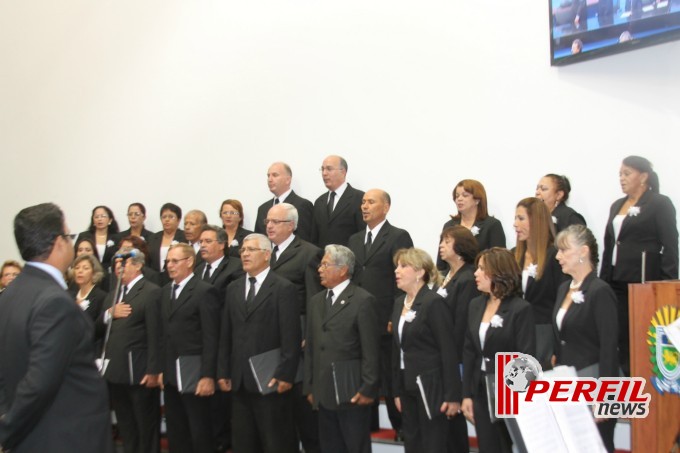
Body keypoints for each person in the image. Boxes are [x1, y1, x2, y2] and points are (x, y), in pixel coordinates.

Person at [0, 203, 112, 453]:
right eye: (69, 236)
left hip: (32, 438)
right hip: (66, 438)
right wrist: (5, 431)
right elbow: (40, 383)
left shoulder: (9, 295)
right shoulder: (55, 302)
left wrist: (6, 416)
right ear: (58, 242)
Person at [218, 234, 300, 453]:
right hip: (239, 379)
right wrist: (223, 371)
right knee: (243, 442)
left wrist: (285, 374)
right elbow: (226, 333)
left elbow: (290, 336)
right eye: (242, 250)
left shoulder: (283, 288)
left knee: (275, 441)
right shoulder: (233, 288)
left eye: (251, 250)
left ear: (266, 255)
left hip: (270, 378)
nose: (244, 254)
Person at [600, 155, 678, 376]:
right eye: (620, 174)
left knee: (641, 340)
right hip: (614, 282)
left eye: (627, 174)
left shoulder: (659, 203)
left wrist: (668, 285)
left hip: (641, 283)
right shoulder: (617, 205)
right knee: (619, 338)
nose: (622, 179)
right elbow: (609, 245)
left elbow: (671, 246)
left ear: (643, 176)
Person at [348, 188, 413, 436]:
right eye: (363, 202)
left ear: (385, 207)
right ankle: (369, 423)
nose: (364, 206)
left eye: (370, 202)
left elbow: (405, 280)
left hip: (385, 317)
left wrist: (394, 316)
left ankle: (401, 427)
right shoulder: (354, 239)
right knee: (366, 371)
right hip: (360, 317)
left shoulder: (398, 236)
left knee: (389, 373)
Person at [304, 245, 380, 453]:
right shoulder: (316, 301)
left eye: (325, 265)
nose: (319, 269)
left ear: (343, 269)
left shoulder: (363, 300)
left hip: (352, 391)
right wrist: (309, 386)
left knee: (355, 447)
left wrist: (368, 388)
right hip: (323, 391)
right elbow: (311, 346)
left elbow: (371, 350)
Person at [461, 247, 535, 453]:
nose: (475, 273)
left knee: (506, 446)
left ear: (498, 273)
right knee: (487, 446)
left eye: (481, 269)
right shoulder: (475, 305)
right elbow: (469, 352)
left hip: (508, 391)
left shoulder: (520, 308)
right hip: (480, 388)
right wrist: (467, 394)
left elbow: (526, 357)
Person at [552, 225, 619, 452]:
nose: (558, 256)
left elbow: (609, 347)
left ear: (583, 252)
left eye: (564, 250)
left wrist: (606, 398)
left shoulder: (600, 291)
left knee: (596, 445)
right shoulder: (563, 288)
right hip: (567, 381)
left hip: (593, 381)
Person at [265, 203, 323, 453]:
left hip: (299, 341)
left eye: (275, 222)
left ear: (291, 225)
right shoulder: (264, 254)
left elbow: (315, 300)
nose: (269, 226)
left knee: (304, 415)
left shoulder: (309, 253)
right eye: (267, 221)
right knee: (278, 419)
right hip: (270, 343)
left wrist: (309, 335)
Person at [391, 248, 461, 453]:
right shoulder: (398, 304)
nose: (397, 270)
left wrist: (453, 395)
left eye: (403, 266)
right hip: (406, 384)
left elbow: (448, 350)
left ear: (420, 272)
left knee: (433, 443)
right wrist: (395, 390)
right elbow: (397, 350)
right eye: (397, 266)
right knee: (412, 443)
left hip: (431, 385)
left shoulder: (433, 303)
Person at [100, 247, 162, 453]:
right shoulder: (112, 295)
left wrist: (154, 370)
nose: (119, 268)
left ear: (138, 265)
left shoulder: (151, 291)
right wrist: (109, 313)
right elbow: (99, 329)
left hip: (140, 371)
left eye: (124, 263)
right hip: (115, 371)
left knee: (145, 426)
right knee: (126, 426)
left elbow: (155, 334)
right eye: (117, 264)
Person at [160, 243, 220, 453]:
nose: (170, 265)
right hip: (170, 373)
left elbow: (211, 337)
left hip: (194, 373)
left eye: (175, 261)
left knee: (199, 430)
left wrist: (207, 375)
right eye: (167, 261)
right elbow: (164, 333)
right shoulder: (166, 290)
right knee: (176, 431)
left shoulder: (204, 291)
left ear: (189, 261)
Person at [193, 225, 244, 453]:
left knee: (222, 407)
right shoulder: (196, 270)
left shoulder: (234, 268)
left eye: (207, 241)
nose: (202, 245)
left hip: (226, 341)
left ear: (222, 244)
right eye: (201, 241)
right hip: (202, 342)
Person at [436, 225, 480, 453]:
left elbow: (462, 324)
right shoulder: (447, 276)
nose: (441, 246)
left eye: (446, 241)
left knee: (455, 418)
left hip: (457, 357)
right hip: (445, 356)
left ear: (460, 246)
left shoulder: (468, 278)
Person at [513, 197, 566, 367]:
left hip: (544, 333)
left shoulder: (555, 257)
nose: (515, 224)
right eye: (515, 218)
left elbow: (561, 301)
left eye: (521, 218)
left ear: (536, 221)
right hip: (517, 332)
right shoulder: (514, 255)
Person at [437, 179, 505, 271]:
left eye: (465, 195)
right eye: (457, 196)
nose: (459, 199)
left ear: (477, 200)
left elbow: (499, 262)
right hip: (451, 281)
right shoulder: (449, 226)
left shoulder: (492, 225)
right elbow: (441, 263)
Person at [311, 155, 365, 248]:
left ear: (343, 172)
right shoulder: (319, 201)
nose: (324, 173)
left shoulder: (359, 198)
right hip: (324, 260)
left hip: (348, 259)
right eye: (322, 169)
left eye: (329, 169)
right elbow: (314, 238)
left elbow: (362, 234)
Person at [255, 162, 315, 242]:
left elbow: (305, 240)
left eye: (275, 175)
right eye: (268, 176)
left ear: (288, 180)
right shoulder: (262, 208)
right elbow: (258, 240)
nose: (270, 179)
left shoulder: (302, 205)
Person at [147, 203, 186, 285]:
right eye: (164, 217)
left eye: (171, 217)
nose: (167, 220)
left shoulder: (184, 237)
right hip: (154, 281)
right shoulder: (153, 238)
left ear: (178, 220)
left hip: (176, 279)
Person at [69, 254, 108, 323]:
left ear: (94, 272)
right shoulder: (69, 295)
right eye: (77, 268)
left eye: (85, 268)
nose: (80, 271)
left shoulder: (101, 297)